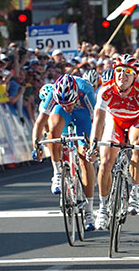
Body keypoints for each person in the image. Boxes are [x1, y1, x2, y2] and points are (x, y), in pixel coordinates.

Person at [87, 55, 139, 231]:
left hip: (135, 122)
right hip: (114, 121)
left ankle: (134, 194)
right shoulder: (105, 90)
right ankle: (102, 208)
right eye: (118, 71)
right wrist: (93, 144)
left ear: (135, 76)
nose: (122, 76)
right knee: (105, 163)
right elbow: (98, 120)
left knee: (138, 145)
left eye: (127, 72)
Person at [32, 74, 97, 230]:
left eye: (69, 103)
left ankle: (89, 209)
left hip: (84, 116)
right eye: (63, 103)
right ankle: (58, 172)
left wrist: (93, 147)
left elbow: (97, 121)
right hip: (62, 115)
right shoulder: (53, 94)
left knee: (85, 159)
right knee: (53, 131)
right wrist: (36, 146)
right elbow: (40, 122)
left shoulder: (86, 91)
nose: (67, 106)